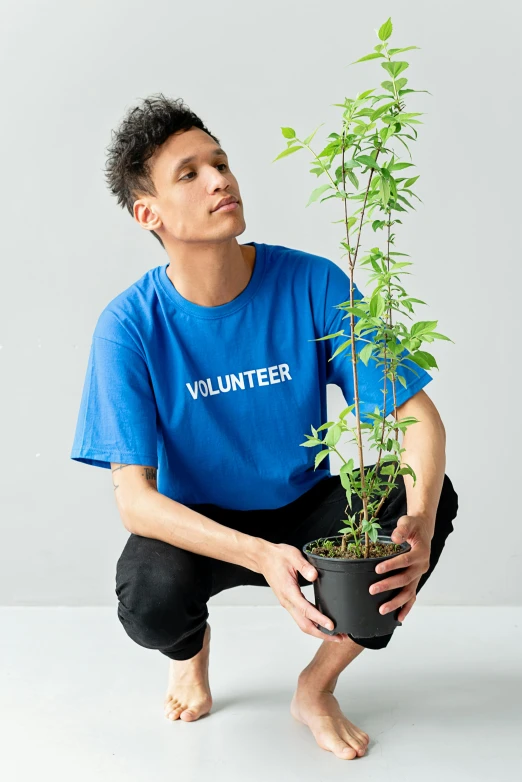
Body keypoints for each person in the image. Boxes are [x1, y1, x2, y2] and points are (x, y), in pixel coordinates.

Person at [71, 94, 459, 761]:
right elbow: (133, 498)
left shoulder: (312, 284)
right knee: (150, 600)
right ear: (149, 214)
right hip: (204, 523)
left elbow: (417, 419)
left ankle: (317, 686)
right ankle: (189, 652)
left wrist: (418, 521)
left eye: (219, 162)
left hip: (308, 506)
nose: (221, 179)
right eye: (189, 174)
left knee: (426, 501)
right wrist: (256, 555)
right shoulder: (129, 326)